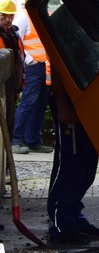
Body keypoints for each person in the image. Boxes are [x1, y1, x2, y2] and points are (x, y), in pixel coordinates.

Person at [47, 0, 99, 246]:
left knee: (86, 166)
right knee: (70, 165)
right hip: (70, 104)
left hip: (88, 100)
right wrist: (62, 106)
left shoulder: (84, 17)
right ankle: (61, 225)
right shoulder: (61, 21)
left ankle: (74, 217)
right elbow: (59, 67)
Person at [12, 8, 53, 154]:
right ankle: (16, 140)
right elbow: (17, 41)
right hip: (34, 67)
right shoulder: (24, 18)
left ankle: (33, 140)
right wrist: (29, 61)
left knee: (40, 104)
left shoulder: (44, 16)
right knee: (29, 102)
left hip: (44, 66)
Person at [0, 0, 25, 141]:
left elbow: (19, 61)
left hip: (10, 86)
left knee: (8, 123)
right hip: (2, 85)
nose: (7, 19)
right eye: (4, 15)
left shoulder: (14, 35)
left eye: (10, 16)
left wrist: (18, 86)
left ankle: (5, 159)